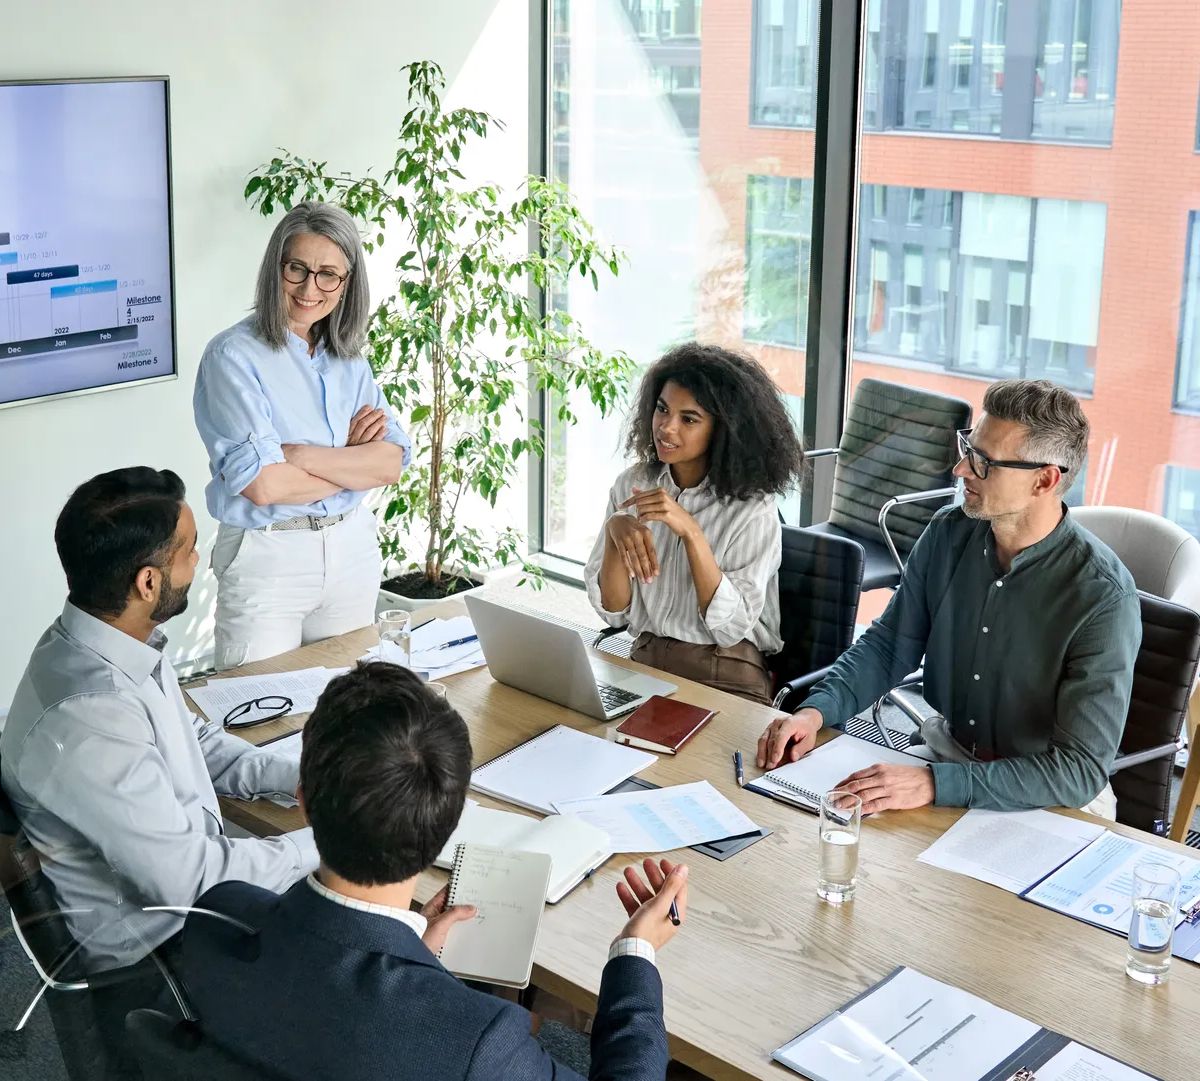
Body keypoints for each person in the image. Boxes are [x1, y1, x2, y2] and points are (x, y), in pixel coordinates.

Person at [180, 662, 687, 1081]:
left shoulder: (215, 920)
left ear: (304, 804)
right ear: (446, 830)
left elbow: (325, 1009)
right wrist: (636, 953)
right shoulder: (476, 1041)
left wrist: (413, 953)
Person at [0, 468, 317, 1069]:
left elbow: (189, 740)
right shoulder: (88, 718)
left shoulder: (102, 640)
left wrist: (294, 774)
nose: (201, 561)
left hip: (183, 905)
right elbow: (189, 883)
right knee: (367, 948)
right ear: (149, 582)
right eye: (190, 550)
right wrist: (330, 841)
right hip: (160, 964)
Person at [757, 379, 1140, 817]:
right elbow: (887, 647)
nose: (960, 470)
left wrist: (934, 783)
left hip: (1047, 797)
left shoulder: (1103, 597)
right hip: (945, 755)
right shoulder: (947, 532)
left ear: (1045, 480)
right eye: (967, 448)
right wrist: (815, 713)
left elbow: (1077, 771)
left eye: (983, 462)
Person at [194, 201, 410, 669]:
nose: (311, 288)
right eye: (298, 269)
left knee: (351, 715)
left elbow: (390, 463)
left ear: (347, 283)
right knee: (259, 718)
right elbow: (264, 485)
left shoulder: (350, 357)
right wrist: (352, 463)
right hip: (269, 556)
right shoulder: (232, 356)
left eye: (329, 274)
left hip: (351, 551)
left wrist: (300, 455)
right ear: (276, 268)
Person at [584, 343, 806, 704]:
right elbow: (614, 611)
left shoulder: (752, 510)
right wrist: (614, 531)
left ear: (724, 430)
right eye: (662, 409)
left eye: (689, 419)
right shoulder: (632, 484)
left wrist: (690, 531)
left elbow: (731, 629)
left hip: (725, 673)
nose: (667, 428)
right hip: (647, 661)